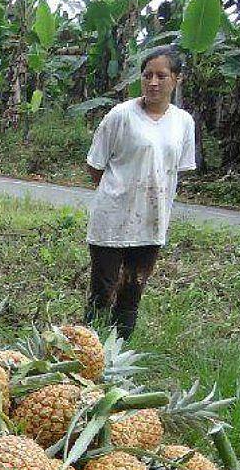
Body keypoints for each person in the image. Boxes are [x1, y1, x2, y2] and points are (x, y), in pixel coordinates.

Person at [83, 45, 196, 339]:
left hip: (152, 221)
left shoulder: (183, 122)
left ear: (177, 79)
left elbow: (174, 170)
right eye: (147, 75)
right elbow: (96, 165)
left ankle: (119, 352)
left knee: (132, 292)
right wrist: (116, 193)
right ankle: (85, 354)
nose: (153, 83)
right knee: (101, 291)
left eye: (161, 75)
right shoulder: (121, 115)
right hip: (112, 218)